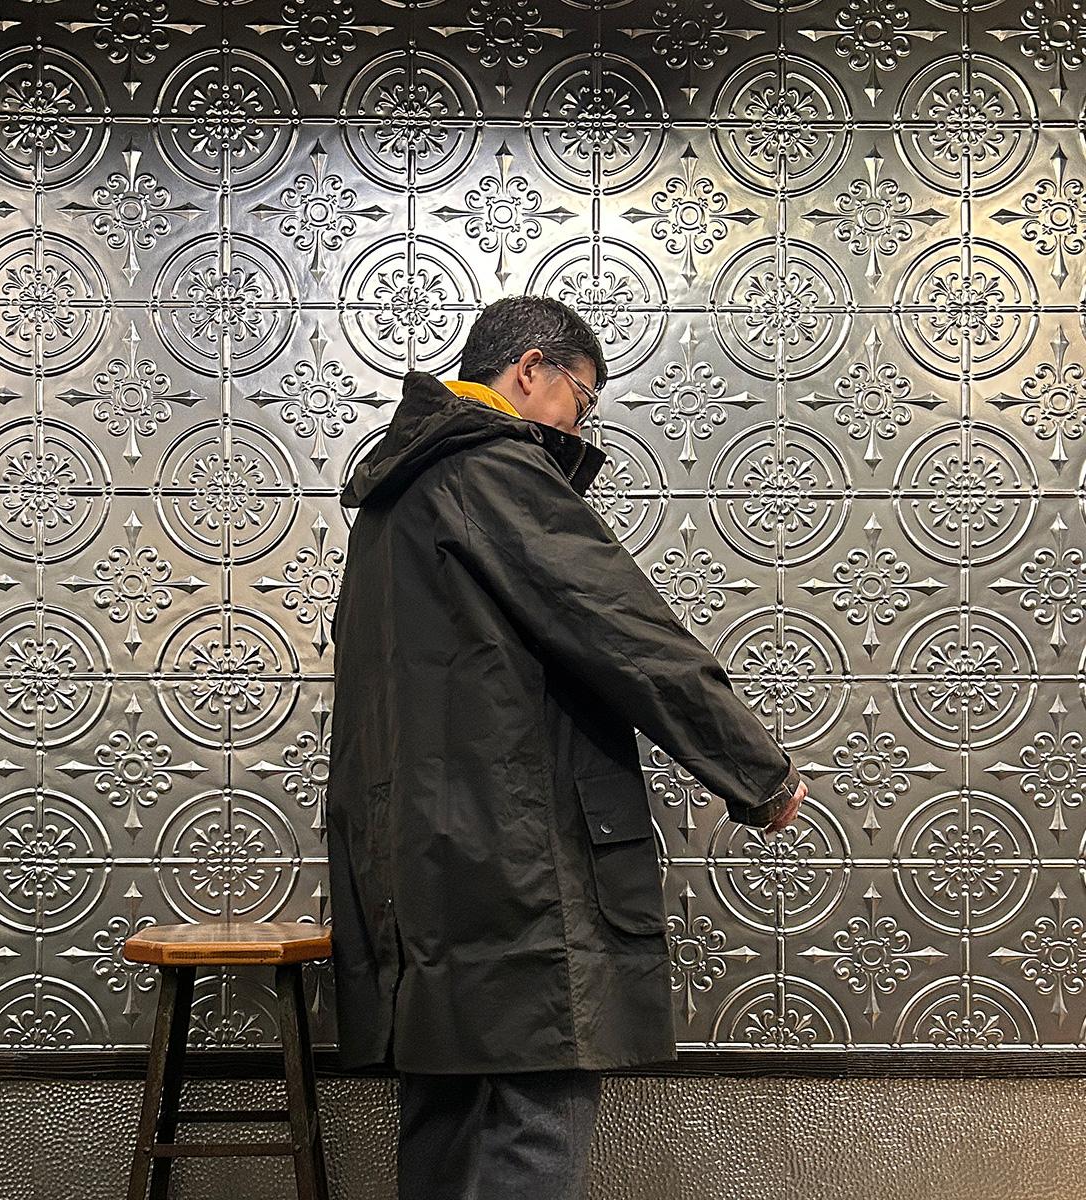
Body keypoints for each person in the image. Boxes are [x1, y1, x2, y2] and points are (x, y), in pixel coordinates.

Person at [327, 295, 808, 1199]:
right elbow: (622, 627)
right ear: (530, 369)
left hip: (416, 871)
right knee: (533, 1122)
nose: (580, 425)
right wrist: (757, 773)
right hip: (516, 865)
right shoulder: (493, 467)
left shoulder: (395, 498)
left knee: (443, 1125)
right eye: (581, 401)